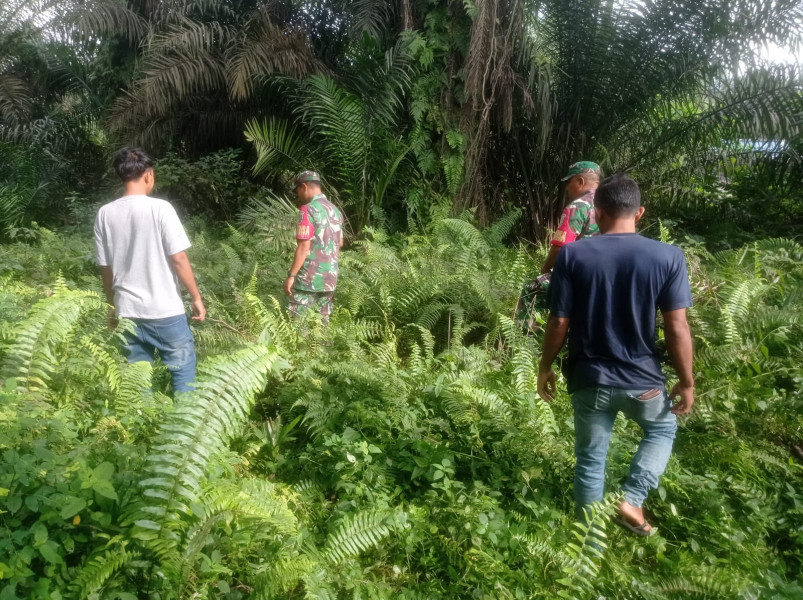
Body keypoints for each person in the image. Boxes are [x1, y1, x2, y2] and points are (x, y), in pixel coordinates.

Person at [537, 173, 694, 536]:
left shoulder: (573, 255)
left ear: (597, 211)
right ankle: (633, 499)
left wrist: (545, 366)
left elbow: (559, 322)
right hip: (644, 382)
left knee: (590, 462)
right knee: (662, 429)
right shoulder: (668, 256)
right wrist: (686, 381)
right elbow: (677, 328)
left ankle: (587, 546)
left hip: (589, 379)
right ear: (638, 213)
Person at [94, 147, 206, 394]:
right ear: (148, 175)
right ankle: (184, 427)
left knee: (137, 381)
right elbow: (178, 258)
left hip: (128, 312)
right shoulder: (161, 209)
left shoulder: (105, 214)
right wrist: (196, 298)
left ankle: (139, 426)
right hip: (164, 311)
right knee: (183, 373)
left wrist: (112, 307)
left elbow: (106, 270)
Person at [515, 161, 602, 332]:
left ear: (580, 181)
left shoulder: (578, 206)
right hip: (608, 274)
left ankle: (524, 345)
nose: (567, 188)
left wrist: (546, 268)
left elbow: (560, 246)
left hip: (580, 274)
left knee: (531, 290)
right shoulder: (612, 203)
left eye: (569, 182)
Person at [283, 171, 343, 323]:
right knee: (322, 325)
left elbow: (304, 247)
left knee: (299, 324)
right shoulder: (335, 211)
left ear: (303, 186)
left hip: (308, 279)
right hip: (330, 278)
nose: (298, 195)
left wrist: (291, 276)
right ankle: (322, 347)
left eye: (297, 190)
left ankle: (299, 347)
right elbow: (339, 242)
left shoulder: (307, 209)